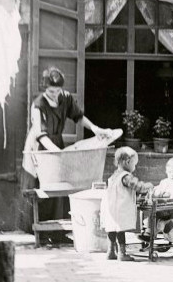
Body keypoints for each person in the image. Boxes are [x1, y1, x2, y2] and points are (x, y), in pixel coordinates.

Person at [24, 67, 112, 241]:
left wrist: (95, 129)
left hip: (56, 143)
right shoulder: (38, 105)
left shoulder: (65, 98)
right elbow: (40, 134)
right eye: (50, 91)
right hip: (40, 147)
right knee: (45, 185)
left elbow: (78, 117)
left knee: (61, 184)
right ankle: (42, 232)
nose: (54, 94)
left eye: (57, 91)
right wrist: (57, 154)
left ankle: (58, 232)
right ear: (44, 88)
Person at [100, 147, 153, 261]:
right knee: (120, 230)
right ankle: (122, 254)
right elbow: (137, 186)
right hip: (119, 208)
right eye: (134, 164)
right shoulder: (126, 176)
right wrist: (148, 186)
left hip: (109, 207)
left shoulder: (114, 175)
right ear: (128, 162)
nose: (135, 167)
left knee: (112, 228)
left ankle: (111, 251)